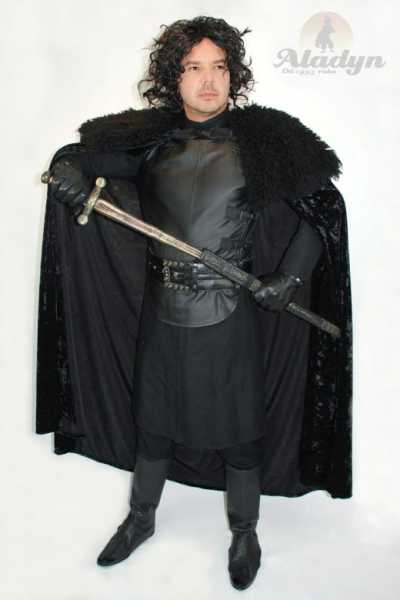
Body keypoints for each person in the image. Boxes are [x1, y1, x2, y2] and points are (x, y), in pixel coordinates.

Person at [36, 16, 352, 591]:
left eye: (219, 67)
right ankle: (141, 518)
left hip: (230, 313)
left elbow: (321, 209)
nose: (209, 81)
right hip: (162, 309)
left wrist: (289, 277)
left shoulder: (265, 145)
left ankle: (245, 532)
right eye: (194, 68)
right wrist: (68, 171)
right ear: (173, 77)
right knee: (154, 426)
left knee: (241, 433)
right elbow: (81, 159)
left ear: (233, 74)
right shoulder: (150, 144)